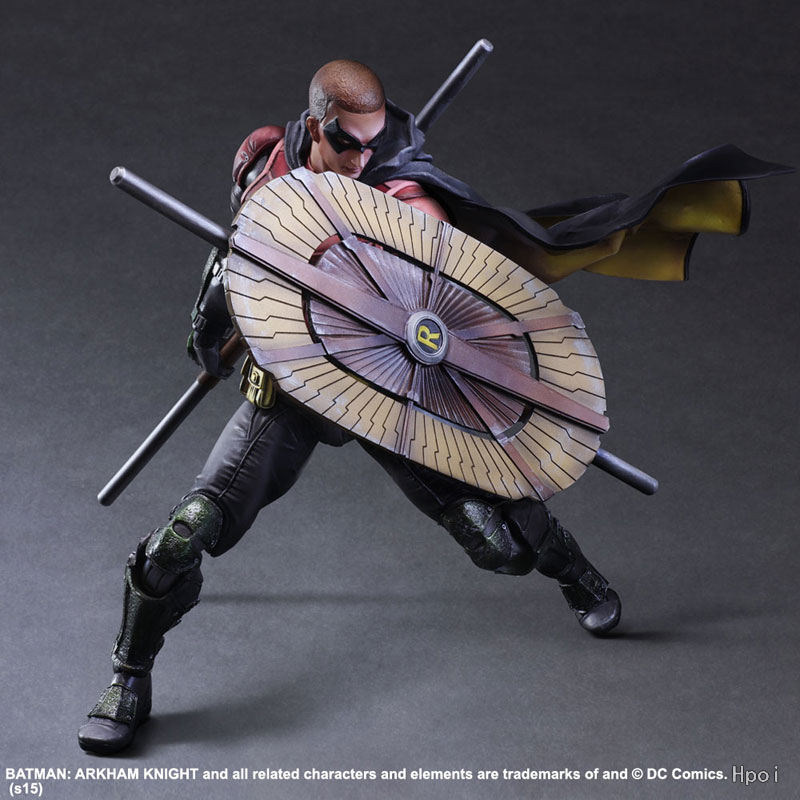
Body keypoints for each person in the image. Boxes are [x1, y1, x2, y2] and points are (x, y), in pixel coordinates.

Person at [78, 59, 789, 755]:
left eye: (373, 142)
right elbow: (244, 249)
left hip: (388, 393)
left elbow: (446, 306)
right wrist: (216, 315)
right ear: (313, 125)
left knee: (500, 544)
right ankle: (128, 677)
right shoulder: (265, 159)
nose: (361, 158)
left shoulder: (404, 199)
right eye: (345, 141)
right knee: (183, 536)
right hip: (291, 389)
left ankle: (572, 570)